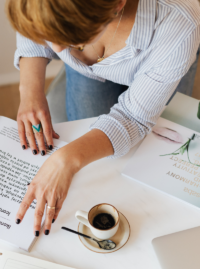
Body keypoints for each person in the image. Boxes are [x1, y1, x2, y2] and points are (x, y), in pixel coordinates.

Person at [7, 0, 200, 237]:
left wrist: (65, 160)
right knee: (96, 158)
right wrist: (29, 91)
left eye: (71, 38)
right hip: (89, 65)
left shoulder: (180, 23)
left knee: (156, 150)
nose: (56, 50)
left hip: (165, 47)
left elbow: (134, 117)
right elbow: (34, 24)